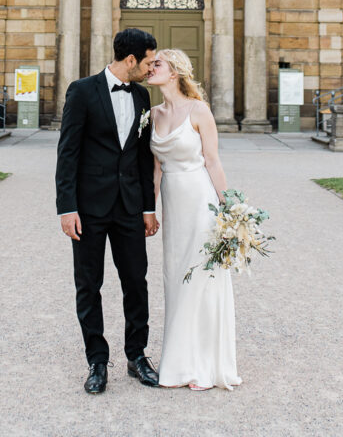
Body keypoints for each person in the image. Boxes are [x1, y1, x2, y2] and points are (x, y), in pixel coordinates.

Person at [55, 28, 160, 395]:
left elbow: (145, 156)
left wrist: (149, 207)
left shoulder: (144, 97)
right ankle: (97, 361)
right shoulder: (82, 91)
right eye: (148, 62)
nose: (151, 69)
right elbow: (67, 152)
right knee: (89, 285)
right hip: (89, 208)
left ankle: (137, 356)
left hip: (130, 207)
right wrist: (66, 208)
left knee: (136, 282)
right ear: (130, 60)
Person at [149, 48, 242, 391]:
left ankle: (203, 365)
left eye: (156, 63)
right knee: (175, 277)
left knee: (202, 278)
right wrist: (150, 209)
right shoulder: (154, 114)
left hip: (200, 200)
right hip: (174, 206)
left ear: (173, 72)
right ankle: (178, 363)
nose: (149, 67)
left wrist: (230, 207)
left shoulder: (199, 110)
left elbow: (213, 162)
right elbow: (157, 169)